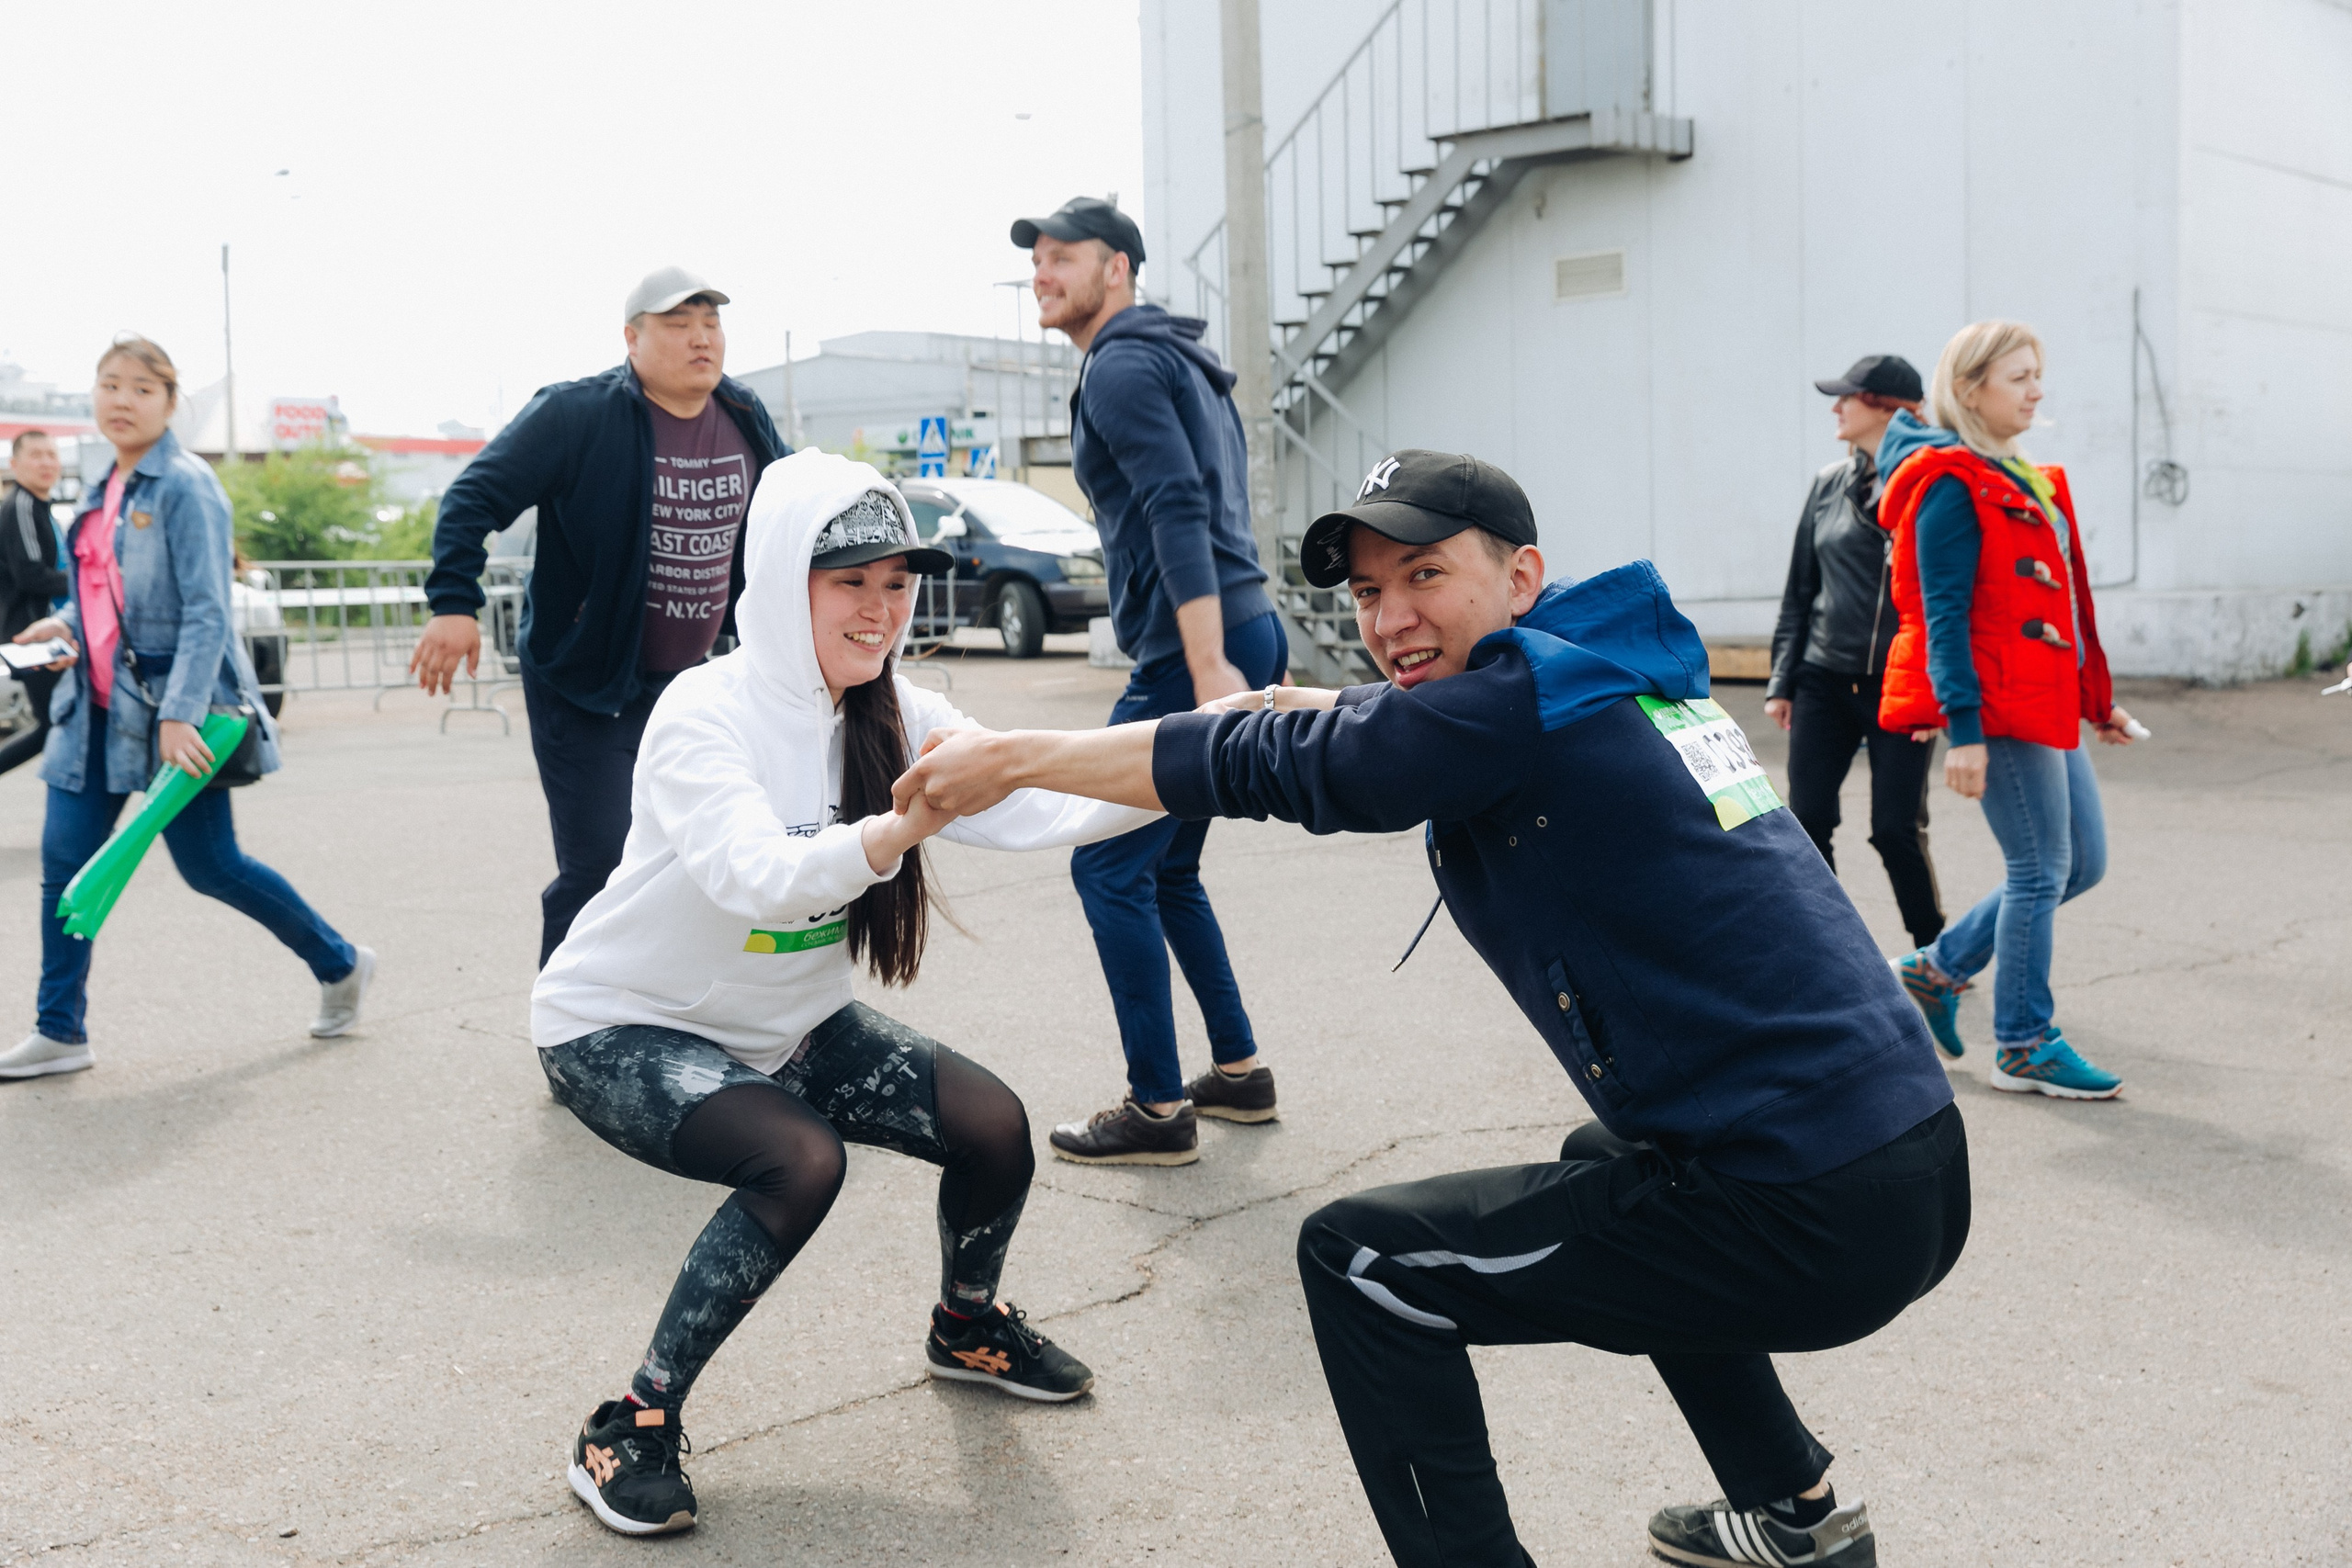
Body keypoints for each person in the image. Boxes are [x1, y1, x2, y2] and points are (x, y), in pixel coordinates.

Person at [899, 449, 1969, 1568]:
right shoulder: (1602, 669)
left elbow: (1288, 765)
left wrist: (1020, 757)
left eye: (1423, 575)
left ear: (1519, 577)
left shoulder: (1509, 712)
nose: (1391, 615)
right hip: (1906, 1163)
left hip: (1811, 1211)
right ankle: (1794, 1515)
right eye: (1366, 593)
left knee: (1365, 1266)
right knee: (1608, 1161)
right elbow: (1423, 723)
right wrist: (1338, 702)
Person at [535, 451, 1151, 1537]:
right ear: (783, 580)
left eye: (897, 584)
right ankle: (629, 1423)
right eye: (849, 581)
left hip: (786, 1027)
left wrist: (1217, 753)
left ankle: (967, 1327)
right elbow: (752, 872)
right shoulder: (702, 713)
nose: (879, 611)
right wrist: (901, 826)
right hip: (622, 1024)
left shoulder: (898, 709)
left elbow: (1040, 801)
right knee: (799, 1160)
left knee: (993, 1127)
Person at [2, 337, 372, 1082]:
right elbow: (105, 588)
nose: (121, 399)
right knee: (65, 869)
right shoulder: (105, 482)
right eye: (109, 384)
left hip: (176, 715)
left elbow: (207, 611)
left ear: (171, 403)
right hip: (93, 712)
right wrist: (65, 623)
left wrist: (180, 714)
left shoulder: (187, 485)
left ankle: (339, 962)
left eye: (142, 388)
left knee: (212, 867)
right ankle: (60, 1029)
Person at [1012, 195, 1288, 1164]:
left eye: (1061, 256)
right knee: (1165, 867)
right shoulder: (1180, 359)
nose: (1042, 274)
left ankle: (1158, 1110)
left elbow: (1178, 503)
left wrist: (1204, 663)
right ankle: (1239, 1075)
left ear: (1116, 267)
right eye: (1035, 260)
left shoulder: (1123, 361)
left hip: (1194, 648)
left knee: (1106, 864)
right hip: (1245, 626)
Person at [412, 267, 788, 966]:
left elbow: (791, 511)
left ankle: (668, 1007)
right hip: (584, 680)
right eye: (678, 324)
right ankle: (570, 1030)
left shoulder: (741, 413)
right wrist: (453, 604)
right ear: (632, 339)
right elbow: (472, 498)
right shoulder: (575, 414)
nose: (701, 338)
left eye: (711, 322)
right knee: (600, 865)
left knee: (696, 853)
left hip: (691, 686)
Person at [1877, 321, 2139, 1099]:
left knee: (2080, 862)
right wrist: (1966, 733)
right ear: (1968, 391)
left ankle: (1935, 969)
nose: (2037, 390)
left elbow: (2055, 605)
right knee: (2039, 869)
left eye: (2037, 375)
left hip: (2045, 700)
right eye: (2018, 377)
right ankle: (2023, 1041)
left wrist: (2097, 702)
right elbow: (1942, 614)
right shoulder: (1952, 485)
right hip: (1997, 709)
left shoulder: (2021, 475)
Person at [1764, 355, 1946, 951]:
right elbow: (1800, 590)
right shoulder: (1827, 484)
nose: (1836, 407)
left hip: (1901, 686)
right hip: (1821, 677)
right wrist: (1782, 681)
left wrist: (1943, 690)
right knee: (1808, 819)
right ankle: (1834, 949)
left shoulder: (1932, 483)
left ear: (1896, 410)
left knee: (1895, 827)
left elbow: (1950, 597)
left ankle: (1933, 951)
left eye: (1851, 396)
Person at [1, 429, 70, 775]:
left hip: (44, 635)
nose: (47, 463)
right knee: (57, 722)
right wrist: (89, 583)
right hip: (32, 637)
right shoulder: (23, 505)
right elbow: (31, 575)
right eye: (36, 455)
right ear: (15, 464)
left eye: (52, 454)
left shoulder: (39, 507)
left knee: (54, 724)